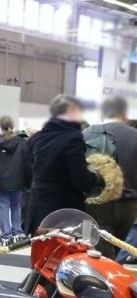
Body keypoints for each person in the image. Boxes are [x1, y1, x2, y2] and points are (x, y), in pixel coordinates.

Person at [25, 94, 102, 235]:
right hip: (64, 211)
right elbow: (80, 179)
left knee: (42, 255)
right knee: (66, 255)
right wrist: (97, 178)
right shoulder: (73, 138)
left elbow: (27, 173)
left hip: (38, 208)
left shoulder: (37, 138)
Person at [84, 96, 137, 262]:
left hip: (98, 202)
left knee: (97, 255)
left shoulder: (90, 132)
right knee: (120, 252)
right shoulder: (135, 135)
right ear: (124, 113)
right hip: (130, 204)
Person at [0, 115, 31, 245]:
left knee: (4, 207)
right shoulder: (22, 142)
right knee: (16, 206)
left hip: (1, 182)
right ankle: (17, 233)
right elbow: (27, 164)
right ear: (12, 126)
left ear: (0, 127)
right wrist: (28, 182)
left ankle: (5, 236)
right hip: (17, 181)